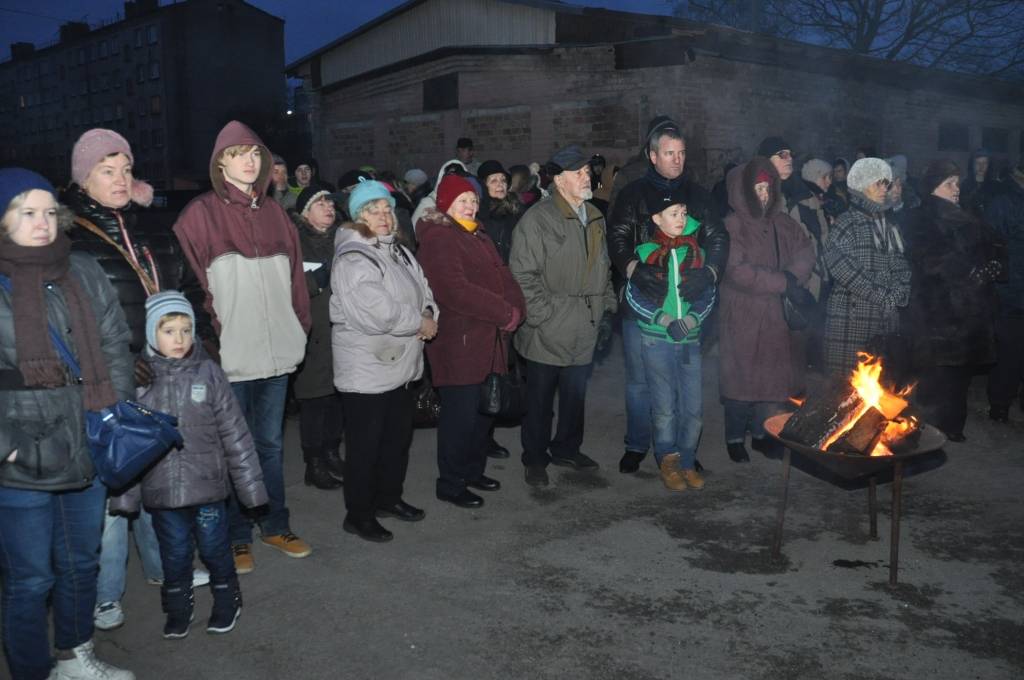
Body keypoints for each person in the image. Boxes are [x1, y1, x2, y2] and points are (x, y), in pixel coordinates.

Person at [64, 127, 209, 631]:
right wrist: (119, 364)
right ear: (84, 179)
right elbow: (72, 318)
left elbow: (188, 289)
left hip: (164, 371)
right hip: (108, 381)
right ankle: (104, 594)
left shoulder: (152, 228)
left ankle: (163, 568)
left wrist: (198, 344)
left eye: (126, 169)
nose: (121, 179)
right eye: (108, 170)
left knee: (159, 479)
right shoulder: (71, 236)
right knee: (113, 490)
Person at [0, 168, 135, 680]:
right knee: (30, 580)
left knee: (81, 563)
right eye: (26, 213)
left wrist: (113, 411)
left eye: (49, 212)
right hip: (21, 458)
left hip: (88, 441)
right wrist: (7, 448)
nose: (42, 223)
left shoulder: (83, 269)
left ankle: (75, 655)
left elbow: (115, 345)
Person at [173, 121, 313, 575]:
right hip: (230, 357)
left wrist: (298, 329)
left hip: (276, 354)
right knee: (234, 448)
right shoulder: (199, 215)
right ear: (220, 163)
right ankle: (236, 537)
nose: (251, 161)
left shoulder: (276, 215)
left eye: (257, 153)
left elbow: (296, 283)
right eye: (240, 153)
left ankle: (274, 524)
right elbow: (189, 287)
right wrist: (211, 341)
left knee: (270, 444)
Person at [110, 292, 267, 639]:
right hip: (162, 491)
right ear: (151, 333)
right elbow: (128, 445)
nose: (179, 339)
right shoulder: (138, 380)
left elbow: (235, 433)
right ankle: (178, 607)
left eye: (185, 330)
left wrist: (252, 489)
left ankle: (228, 597)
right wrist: (124, 496)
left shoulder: (208, 373)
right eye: (168, 331)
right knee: (175, 554)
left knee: (214, 548)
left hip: (208, 487)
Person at [606, 116, 728, 474]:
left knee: (683, 383)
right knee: (640, 382)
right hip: (642, 305)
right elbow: (617, 237)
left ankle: (680, 450)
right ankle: (637, 442)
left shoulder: (699, 197)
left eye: (681, 153)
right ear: (652, 155)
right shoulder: (632, 194)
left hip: (687, 302)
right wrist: (633, 269)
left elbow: (718, 238)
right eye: (669, 153)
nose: (677, 159)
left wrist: (708, 274)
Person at [331, 180, 435, 541]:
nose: (383, 216)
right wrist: (419, 322)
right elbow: (376, 313)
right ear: (358, 216)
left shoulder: (399, 252)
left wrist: (430, 312)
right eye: (373, 210)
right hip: (367, 371)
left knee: (396, 441)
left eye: (387, 209)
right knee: (365, 448)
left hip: (400, 366)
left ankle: (389, 498)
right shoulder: (354, 256)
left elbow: (424, 289)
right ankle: (358, 514)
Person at [510, 145, 617, 487]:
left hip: (585, 321)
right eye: (579, 172)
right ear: (558, 180)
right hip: (548, 326)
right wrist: (544, 316)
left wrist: (607, 310)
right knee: (540, 400)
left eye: (588, 171)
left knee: (575, 395)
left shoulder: (595, 216)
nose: (588, 176)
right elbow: (522, 275)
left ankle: (567, 448)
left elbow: (605, 268)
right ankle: (535, 458)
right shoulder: (538, 219)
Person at [416, 174, 526, 508]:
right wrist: (502, 312)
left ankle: (473, 471)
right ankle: (450, 482)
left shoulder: (478, 234)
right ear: (445, 205)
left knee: (483, 412)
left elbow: (503, 274)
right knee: (459, 417)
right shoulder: (439, 237)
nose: (470, 205)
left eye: (474, 200)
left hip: (488, 339)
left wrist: (517, 308)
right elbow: (454, 290)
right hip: (458, 341)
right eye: (462, 200)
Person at [718, 158, 815, 462]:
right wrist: (782, 281)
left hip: (776, 316)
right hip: (744, 314)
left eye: (767, 187)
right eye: (757, 188)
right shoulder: (731, 226)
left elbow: (805, 252)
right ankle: (734, 438)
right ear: (743, 191)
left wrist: (791, 277)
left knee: (771, 380)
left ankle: (761, 434)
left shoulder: (784, 223)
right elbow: (736, 271)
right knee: (741, 379)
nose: (763, 194)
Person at [902, 161, 1006, 441]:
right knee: (937, 371)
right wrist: (966, 271)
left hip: (970, 308)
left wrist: (992, 265)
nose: (956, 188)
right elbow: (926, 258)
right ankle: (929, 427)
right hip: (938, 308)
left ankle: (952, 425)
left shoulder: (967, 216)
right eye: (949, 183)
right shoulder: (921, 217)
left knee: (961, 371)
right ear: (933, 187)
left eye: (958, 183)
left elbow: (992, 246)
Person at [625, 187, 715, 490]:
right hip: (656, 341)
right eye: (674, 214)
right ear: (657, 218)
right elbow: (633, 298)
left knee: (694, 409)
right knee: (664, 407)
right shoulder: (644, 254)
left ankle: (688, 460)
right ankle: (669, 460)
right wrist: (662, 319)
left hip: (689, 341)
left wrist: (692, 319)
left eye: (684, 213)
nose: (681, 219)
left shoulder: (696, 253)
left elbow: (709, 294)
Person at [821, 158, 911, 377]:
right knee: (845, 390)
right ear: (861, 185)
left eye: (886, 184)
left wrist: (900, 291)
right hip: (850, 322)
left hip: (883, 321)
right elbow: (843, 269)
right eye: (878, 184)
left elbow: (900, 264)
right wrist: (884, 295)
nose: (884, 189)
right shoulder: (846, 223)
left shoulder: (888, 225)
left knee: (879, 389)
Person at [291, 186, 345, 489]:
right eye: (319, 202)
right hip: (311, 335)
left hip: (340, 331)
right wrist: (315, 281)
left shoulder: (343, 238)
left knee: (338, 397)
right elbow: (285, 286)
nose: (328, 206)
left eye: (329, 201)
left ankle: (331, 452)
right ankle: (313, 463)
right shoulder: (294, 243)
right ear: (305, 212)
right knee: (314, 400)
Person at [985, 162, 1024, 422]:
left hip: (1015, 287)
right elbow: (990, 243)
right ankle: (999, 405)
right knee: (1010, 352)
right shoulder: (1003, 202)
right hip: (1011, 291)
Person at [411, 158, 468, 226]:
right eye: (449, 178)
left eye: (458, 179)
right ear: (441, 179)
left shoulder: (468, 205)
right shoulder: (429, 203)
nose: (453, 183)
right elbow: (413, 231)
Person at [960, 149, 999, 218]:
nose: (981, 166)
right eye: (978, 163)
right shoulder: (965, 185)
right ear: (973, 165)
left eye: (985, 163)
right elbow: (963, 208)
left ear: (989, 165)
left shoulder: (995, 186)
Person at [825, 157, 851, 221]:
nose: (836, 174)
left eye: (839, 171)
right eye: (834, 171)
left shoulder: (853, 187)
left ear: (846, 171)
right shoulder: (830, 189)